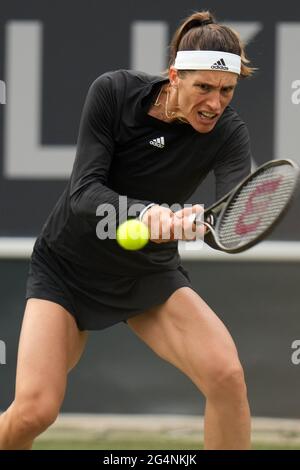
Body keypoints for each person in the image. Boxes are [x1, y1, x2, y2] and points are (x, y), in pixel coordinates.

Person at [0, 10, 255, 450]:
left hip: (146, 273)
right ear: (175, 76)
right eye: (204, 88)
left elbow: (228, 217)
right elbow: (83, 195)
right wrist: (144, 213)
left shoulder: (229, 134)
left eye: (227, 90)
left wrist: (199, 223)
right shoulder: (114, 92)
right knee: (34, 411)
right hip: (67, 268)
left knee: (226, 375)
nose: (216, 103)